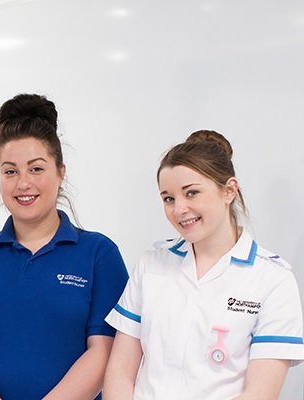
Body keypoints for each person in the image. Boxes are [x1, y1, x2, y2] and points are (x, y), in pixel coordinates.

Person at [0, 93, 129, 400]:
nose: (23, 183)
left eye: (37, 169)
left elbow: (103, 351)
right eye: (10, 171)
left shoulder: (98, 254)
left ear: (60, 172)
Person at [104, 130, 304, 399]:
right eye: (169, 198)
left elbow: (260, 394)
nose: (179, 210)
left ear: (229, 190)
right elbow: (119, 372)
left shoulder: (273, 280)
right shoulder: (151, 266)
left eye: (192, 193)